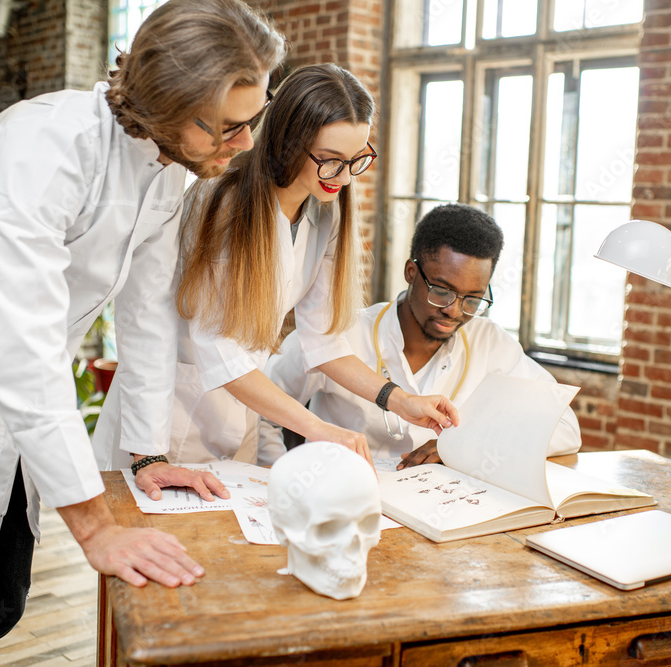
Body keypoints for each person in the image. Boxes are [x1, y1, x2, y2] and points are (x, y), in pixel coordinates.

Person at [0, 1, 285, 664]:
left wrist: (146, 455)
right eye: (228, 127)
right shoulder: (41, 153)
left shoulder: (170, 168)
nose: (245, 145)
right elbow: (24, 347)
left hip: (18, 386)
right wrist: (96, 529)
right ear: (163, 101)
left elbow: (146, 312)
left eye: (253, 119)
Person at [95, 64, 458, 476]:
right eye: (329, 160)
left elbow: (323, 342)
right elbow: (221, 354)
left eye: (356, 159)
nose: (343, 177)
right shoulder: (222, 202)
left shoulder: (326, 212)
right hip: (167, 420)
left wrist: (400, 399)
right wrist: (318, 428)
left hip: (242, 416)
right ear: (289, 142)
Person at [260, 203, 582, 468]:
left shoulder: (491, 344)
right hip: (342, 508)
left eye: (473, 299)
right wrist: (282, 483)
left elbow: (565, 427)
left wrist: (463, 445)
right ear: (411, 273)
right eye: (442, 291)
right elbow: (259, 411)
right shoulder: (338, 335)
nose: (455, 311)